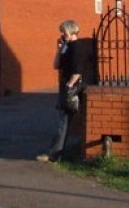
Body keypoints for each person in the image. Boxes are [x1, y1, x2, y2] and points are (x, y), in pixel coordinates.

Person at [37, 19, 89, 163]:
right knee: (64, 119)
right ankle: (57, 152)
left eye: (64, 31)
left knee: (64, 120)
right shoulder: (66, 47)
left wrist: (70, 85)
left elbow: (78, 70)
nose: (62, 34)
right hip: (66, 84)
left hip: (72, 86)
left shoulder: (77, 47)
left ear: (72, 31)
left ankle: (55, 153)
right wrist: (59, 49)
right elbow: (56, 65)